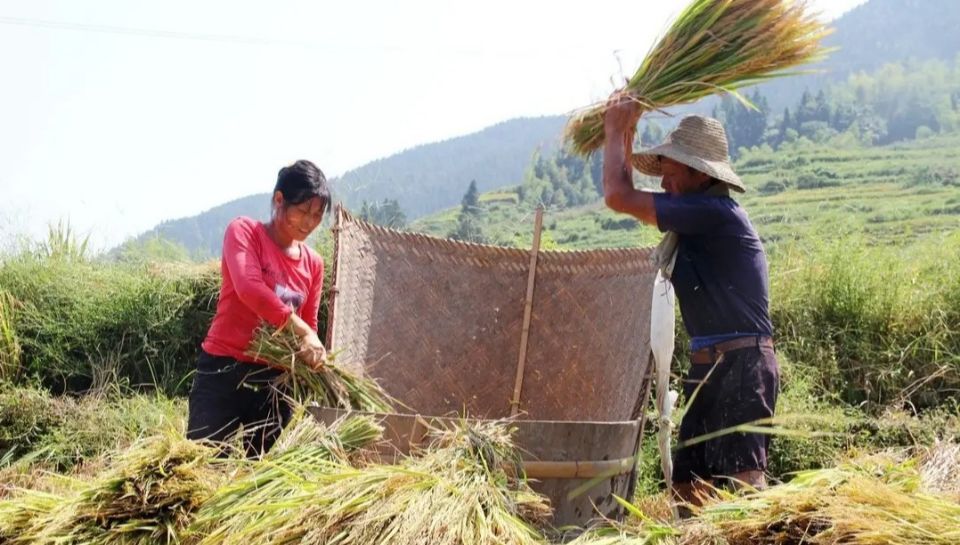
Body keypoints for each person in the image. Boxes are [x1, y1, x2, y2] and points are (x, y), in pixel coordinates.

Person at [601, 97, 779, 510]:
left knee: (745, 495)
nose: (664, 184)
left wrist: (615, 131)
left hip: (741, 367)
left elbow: (618, 195)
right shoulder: (696, 218)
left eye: (671, 172)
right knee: (689, 496)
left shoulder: (715, 213)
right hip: (708, 369)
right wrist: (626, 130)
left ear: (700, 174)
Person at [187, 159, 330, 456]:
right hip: (224, 369)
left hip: (275, 384)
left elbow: (309, 325)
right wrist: (301, 329)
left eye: (317, 215)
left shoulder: (313, 264)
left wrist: (312, 353)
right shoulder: (245, 233)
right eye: (303, 211)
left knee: (260, 480)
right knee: (202, 468)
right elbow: (249, 288)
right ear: (279, 200)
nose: (309, 222)